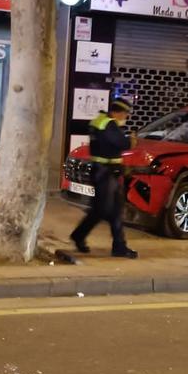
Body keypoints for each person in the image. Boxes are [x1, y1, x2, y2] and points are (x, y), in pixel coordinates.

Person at [70, 99, 138, 259]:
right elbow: (119, 142)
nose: (125, 117)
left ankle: (119, 246)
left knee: (113, 211)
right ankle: (79, 235)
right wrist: (130, 141)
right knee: (103, 210)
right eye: (125, 114)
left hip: (107, 172)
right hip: (105, 174)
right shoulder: (107, 124)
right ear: (119, 112)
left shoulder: (100, 121)